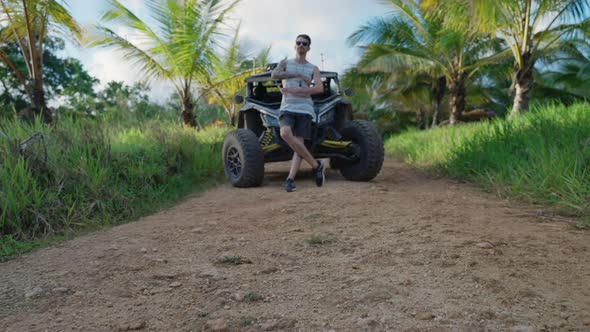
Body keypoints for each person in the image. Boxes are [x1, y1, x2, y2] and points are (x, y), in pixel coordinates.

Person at [271, 34, 325, 192]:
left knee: (299, 145)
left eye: (305, 43)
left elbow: (319, 88)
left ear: (308, 48)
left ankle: (290, 179)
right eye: (298, 43)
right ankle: (316, 165)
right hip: (287, 107)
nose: (301, 45)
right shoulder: (285, 63)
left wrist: (298, 90)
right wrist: (298, 75)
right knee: (285, 133)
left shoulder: (313, 68)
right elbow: (275, 75)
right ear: (295, 46)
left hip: (305, 108)